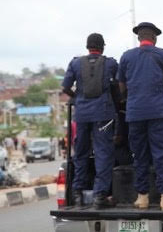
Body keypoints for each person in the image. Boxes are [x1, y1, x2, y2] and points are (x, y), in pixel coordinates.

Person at [118, 22, 163, 211]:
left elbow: (121, 86)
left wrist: (131, 99)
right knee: (161, 154)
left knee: (139, 155)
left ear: (139, 38)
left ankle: (142, 197)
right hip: (159, 112)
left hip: (135, 113)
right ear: (154, 39)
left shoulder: (126, 57)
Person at [62, 33, 118, 209]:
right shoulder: (110, 63)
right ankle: (100, 196)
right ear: (102, 47)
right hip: (103, 115)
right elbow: (119, 84)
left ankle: (78, 194)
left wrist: (77, 98)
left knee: (81, 153)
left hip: (82, 115)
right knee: (103, 154)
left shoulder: (75, 63)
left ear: (87, 47)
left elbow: (65, 87)